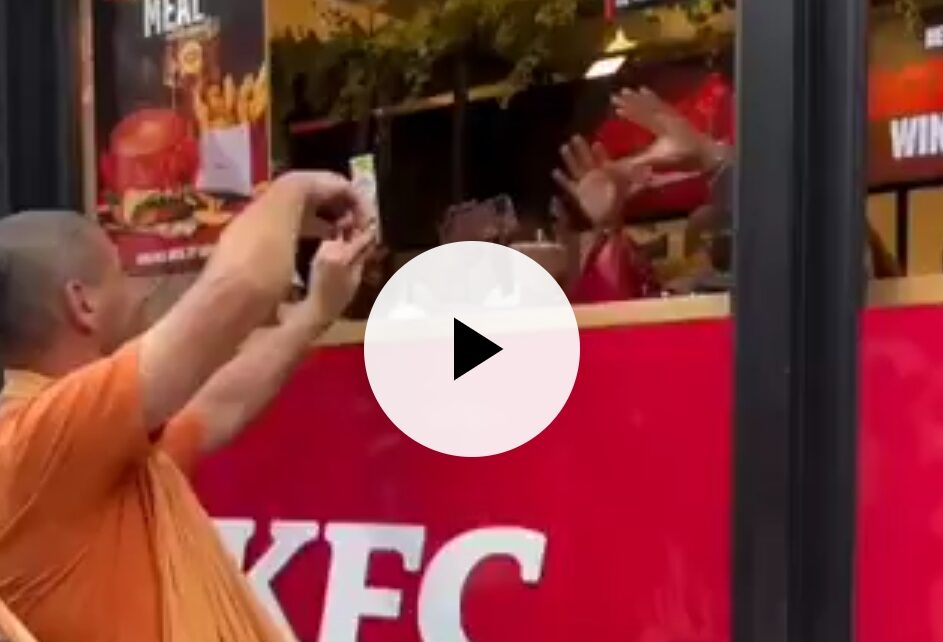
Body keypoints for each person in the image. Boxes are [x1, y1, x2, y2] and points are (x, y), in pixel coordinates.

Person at [0, 171, 376, 642]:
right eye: (121, 274)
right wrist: (294, 189)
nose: (138, 292)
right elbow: (243, 287)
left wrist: (315, 311)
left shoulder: (102, 448)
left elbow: (219, 404)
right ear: (83, 303)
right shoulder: (44, 440)